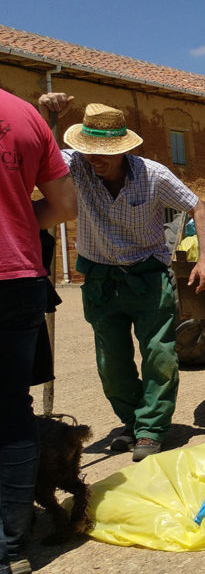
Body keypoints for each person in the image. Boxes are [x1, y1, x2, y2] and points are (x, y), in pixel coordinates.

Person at [37, 93, 205, 462]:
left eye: (103, 151)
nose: (94, 158)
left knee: (159, 356)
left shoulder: (153, 174)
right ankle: (133, 422)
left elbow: (198, 207)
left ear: (123, 149)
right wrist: (49, 117)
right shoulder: (76, 166)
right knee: (111, 363)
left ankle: (151, 429)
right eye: (88, 149)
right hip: (100, 276)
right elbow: (45, 161)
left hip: (148, 276)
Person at [1, 87, 77, 574]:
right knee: (11, 412)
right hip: (17, 280)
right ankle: (9, 547)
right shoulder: (22, 115)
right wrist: (18, 225)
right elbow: (65, 205)